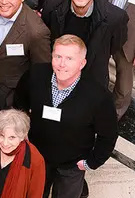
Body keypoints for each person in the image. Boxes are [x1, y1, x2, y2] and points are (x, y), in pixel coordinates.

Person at [14, 35, 118, 198]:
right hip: (37, 156)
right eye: (58, 57)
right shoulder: (36, 75)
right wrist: (22, 133)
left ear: (82, 63)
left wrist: (91, 162)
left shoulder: (98, 96)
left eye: (69, 58)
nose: (62, 64)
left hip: (72, 165)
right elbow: (19, 104)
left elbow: (108, 135)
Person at [41, 0, 128, 87]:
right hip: (57, 75)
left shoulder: (115, 18)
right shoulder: (52, 5)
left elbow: (115, 45)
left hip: (92, 80)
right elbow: (46, 37)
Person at [0, 109, 45, 198]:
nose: (5, 143)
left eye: (12, 137)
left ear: (23, 136)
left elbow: (35, 195)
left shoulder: (35, 160)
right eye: (1, 135)